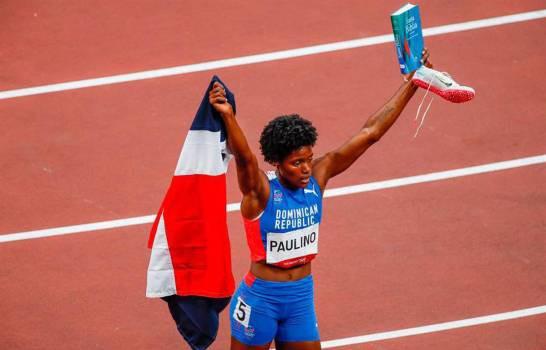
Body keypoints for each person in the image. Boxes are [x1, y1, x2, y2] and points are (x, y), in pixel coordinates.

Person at [208, 49, 432, 350]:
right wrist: (228, 116)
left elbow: (370, 133)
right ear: (276, 161)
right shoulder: (259, 192)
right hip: (261, 299)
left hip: (300, 297)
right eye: (296, 162)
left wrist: (413, 84)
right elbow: (245, 159)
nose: (305, 169)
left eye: (308, 159)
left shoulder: (318, 176)